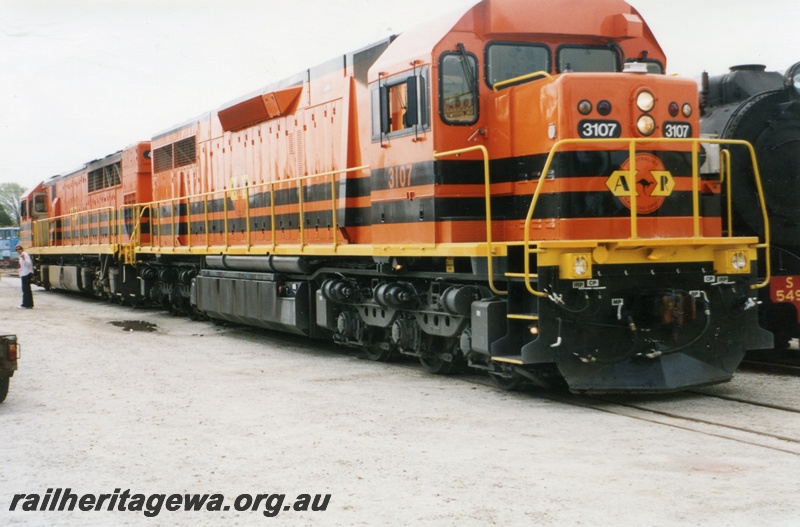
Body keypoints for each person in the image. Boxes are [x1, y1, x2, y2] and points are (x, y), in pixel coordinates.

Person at [15, 245, 33, 309]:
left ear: (22, 249)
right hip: (24, 274)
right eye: (17, 250)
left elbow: (29, 264)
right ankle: (29, 304)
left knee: (26, 290)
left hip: (26, 274)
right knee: (26, 290)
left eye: (19, 249)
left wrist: (24, 259)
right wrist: (19, 270)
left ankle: (26, 304)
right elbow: (22, 266)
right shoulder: (21, 256)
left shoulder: (24, 255)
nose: (18, 250)